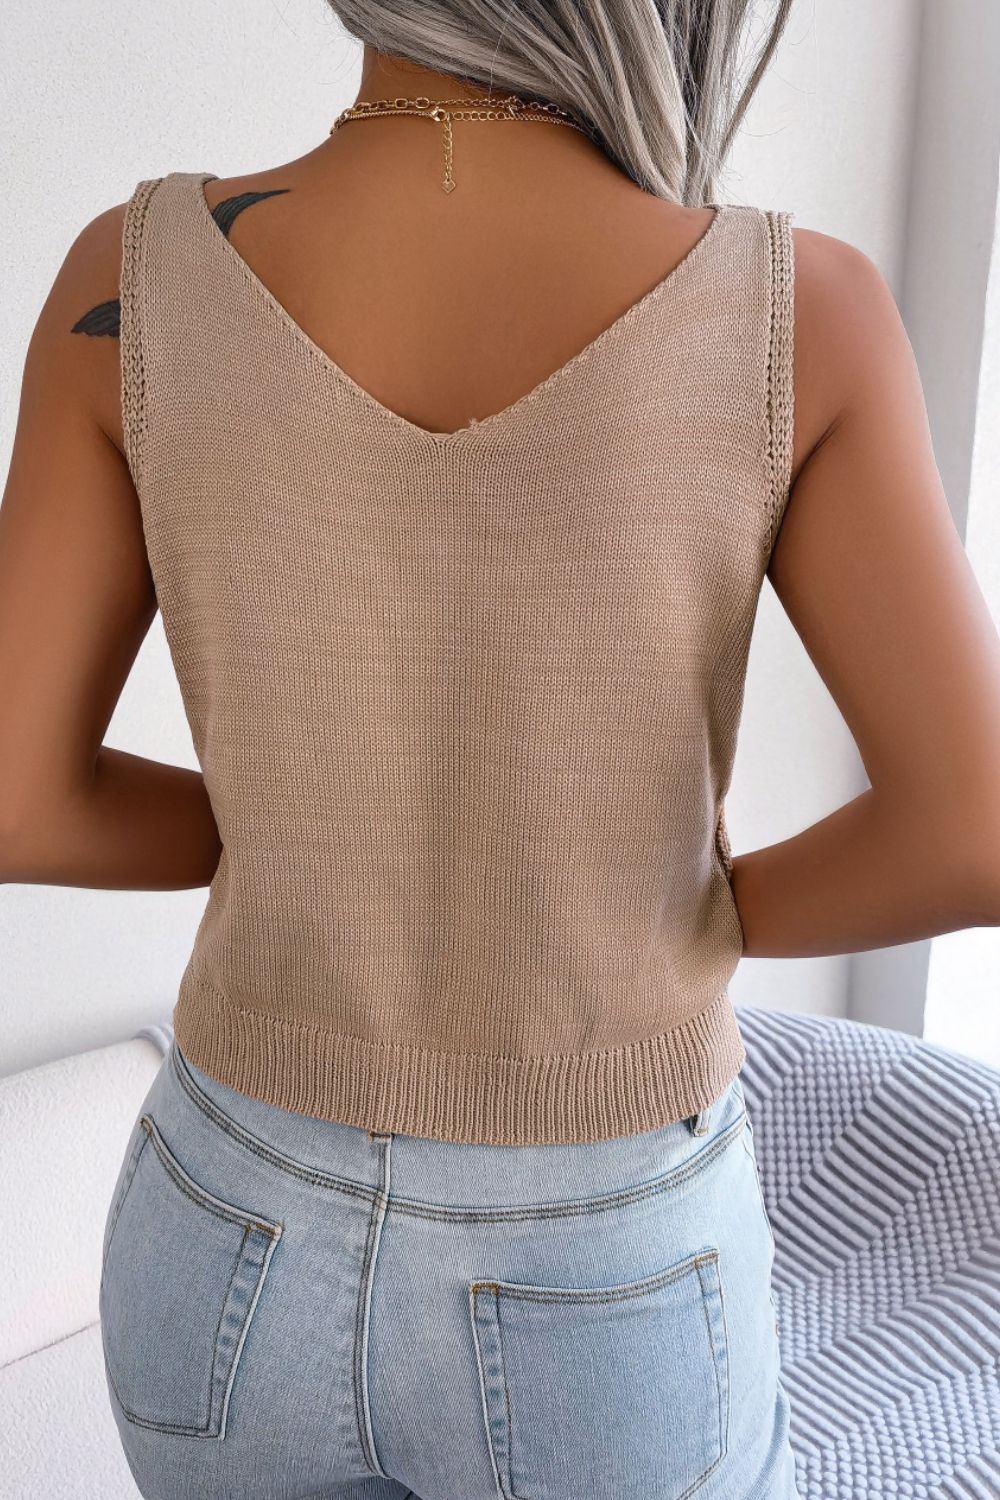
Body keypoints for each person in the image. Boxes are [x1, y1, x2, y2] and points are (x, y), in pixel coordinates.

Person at [4, 4, 1000, 1498]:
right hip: (607, 1259)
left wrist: (290, 820)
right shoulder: (802, 308)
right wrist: (700, 913)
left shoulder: (129, 278)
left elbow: (15, 803)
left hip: (224, 1229)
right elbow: (972, 834)